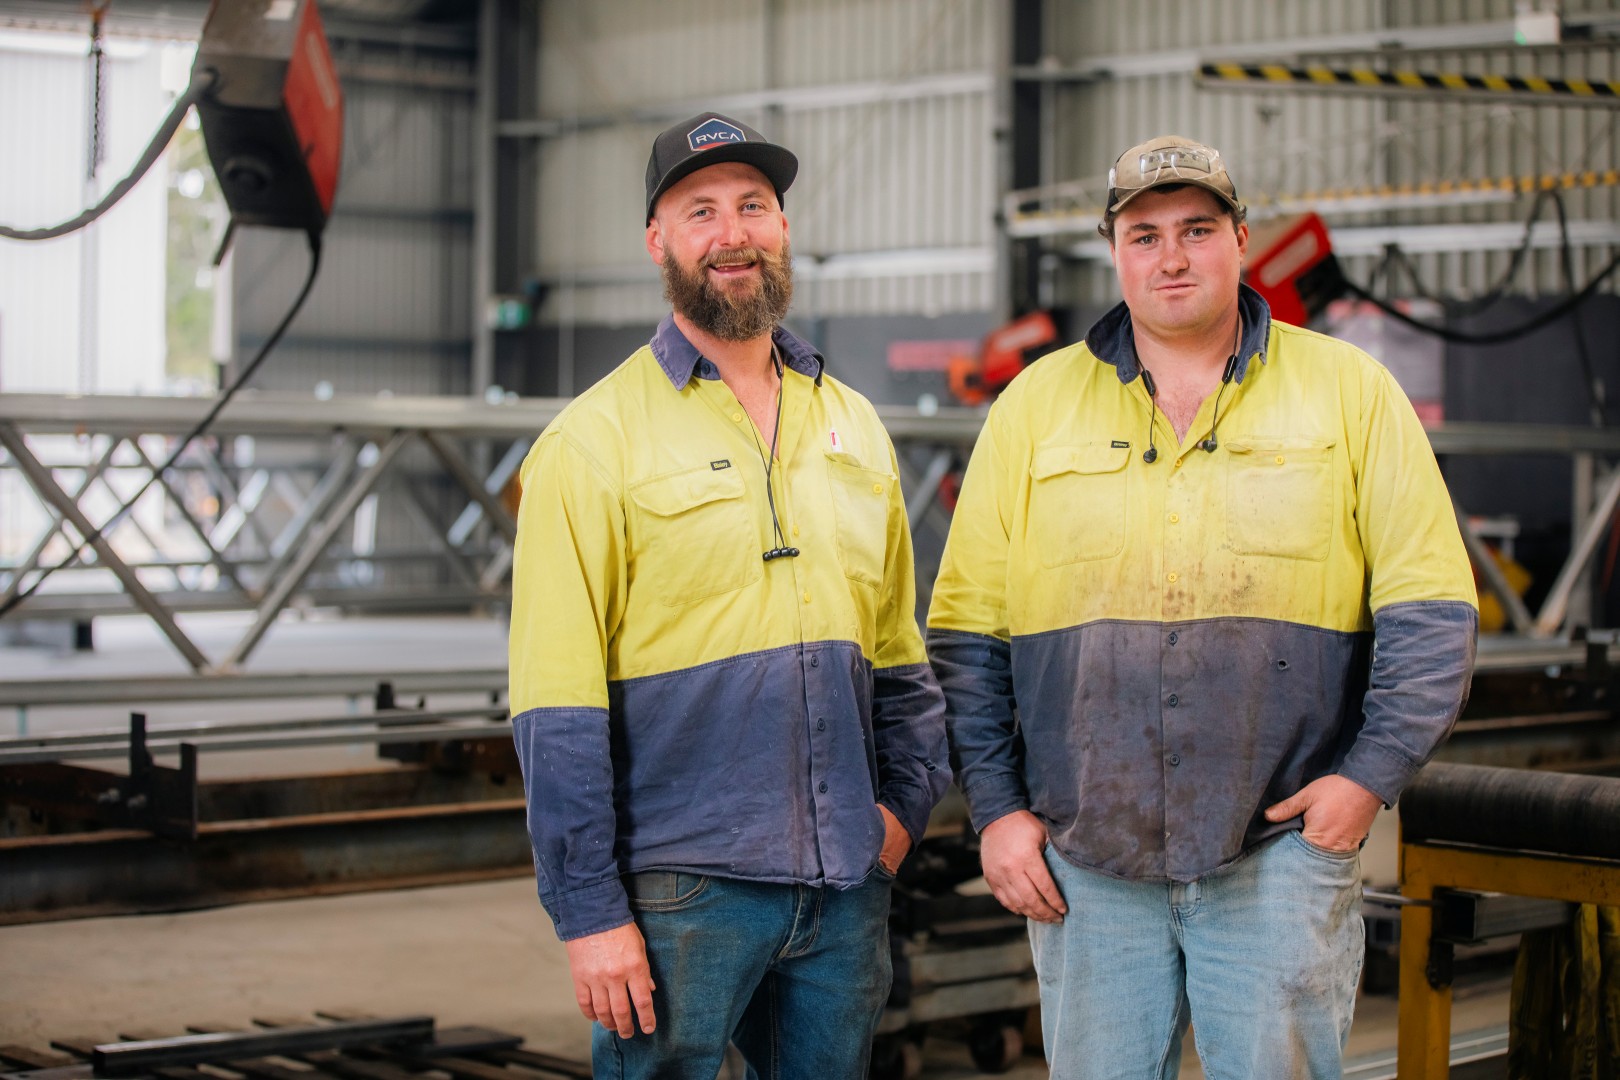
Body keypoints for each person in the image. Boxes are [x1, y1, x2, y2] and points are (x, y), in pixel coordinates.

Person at [926, 134, 1478, 1078]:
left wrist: (1363, 784)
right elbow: (967, 637)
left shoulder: (1350, 394)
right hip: (1086, 862)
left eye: (1196, 229)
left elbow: (1432, 616)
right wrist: (997, 810)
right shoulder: (1032, 408)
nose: (1171, 256)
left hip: (1280, 857)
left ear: (1241, 239)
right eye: (1144, 235)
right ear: (1113, 250)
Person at [508, 112, 951, 1079]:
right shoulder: (591, 443)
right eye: (700, 211)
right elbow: (554, 705)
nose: (732, 233)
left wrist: (898, 818)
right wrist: (589, 914)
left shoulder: (854, 426)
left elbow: (899, 658)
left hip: (844, 887)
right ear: (657, 241)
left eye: (753, 205)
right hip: (683, 892)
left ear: (783, 228)